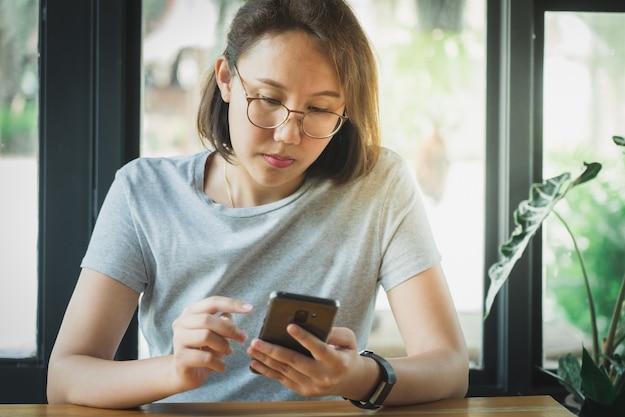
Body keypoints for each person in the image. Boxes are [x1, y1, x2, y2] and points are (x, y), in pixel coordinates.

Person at [47, 0, 469, 409]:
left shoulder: (378, 185)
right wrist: (172, 371)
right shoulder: (144, 191)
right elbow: (65, 379)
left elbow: (450, 368)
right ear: (226, 78)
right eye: (268, 99)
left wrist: (357, 377)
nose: (289, 134)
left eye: (320, 109)